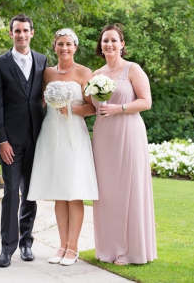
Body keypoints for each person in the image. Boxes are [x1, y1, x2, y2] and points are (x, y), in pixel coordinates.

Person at [27, 28, 98, 266]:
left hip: (73, 135)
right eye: (60, 44)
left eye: (68, 44)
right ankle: (61, 244)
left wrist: (73, 109)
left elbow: (93, 107)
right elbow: (38, 102)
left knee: (73, 191)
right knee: (59, 192)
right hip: (51, 133)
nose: (64, 48)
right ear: (54, 47)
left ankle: (73, 247)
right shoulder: (46, 73)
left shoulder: (84, 72)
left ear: (75, 47)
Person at [91, 24, 157, 265]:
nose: (108, 44)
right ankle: (109, 248)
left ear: (122, 44)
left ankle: (129, 251)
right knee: (107, 192)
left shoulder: (132, 69)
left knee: (129, 190)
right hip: (103, 136)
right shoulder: (96, 74)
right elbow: (92, 106)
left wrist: (119, 108)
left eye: (113, 40)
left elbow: (146, 102)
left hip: (128, 133)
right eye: (105, 40)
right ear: (100, 45)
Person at [0, 14, 47, 268]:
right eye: (17, 31)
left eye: (25, 31)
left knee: (31, 194)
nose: (21, 35)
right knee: (11, 193)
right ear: (10, 34)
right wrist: (1, 140)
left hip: (37, 139)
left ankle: (26, 243)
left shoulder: (44, 62)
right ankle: (7, 248)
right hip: (11, 142)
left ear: (32, 33)